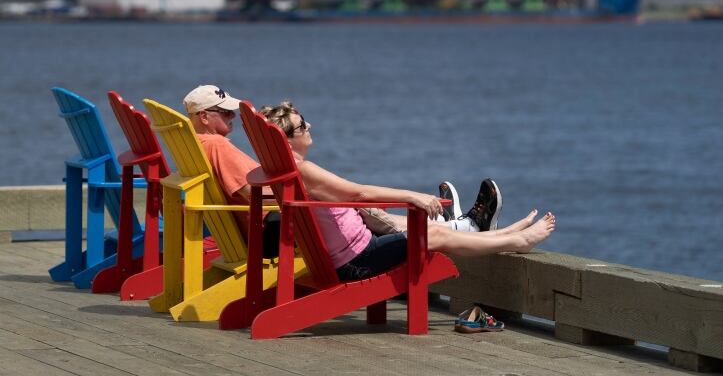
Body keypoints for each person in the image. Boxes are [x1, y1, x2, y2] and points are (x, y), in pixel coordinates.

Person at [260, 100, 556, 281]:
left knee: (421, 228)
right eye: (301, 126)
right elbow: (358, 194)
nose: (309, 125)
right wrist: (412, 196)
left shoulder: (282, 169)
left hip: (352, 247)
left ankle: (504, 235)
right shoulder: (304, 171)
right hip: (357, 261)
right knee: (433, 235)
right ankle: (518, 241)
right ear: (287, 142)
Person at [183, 85, 281, 258]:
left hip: (243, 230)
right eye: (225, 112)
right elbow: (252, 193)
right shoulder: (217, 146)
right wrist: (298, 195)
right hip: (269, 229)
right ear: (204, 117)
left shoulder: (194, 145)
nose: (233, 115)